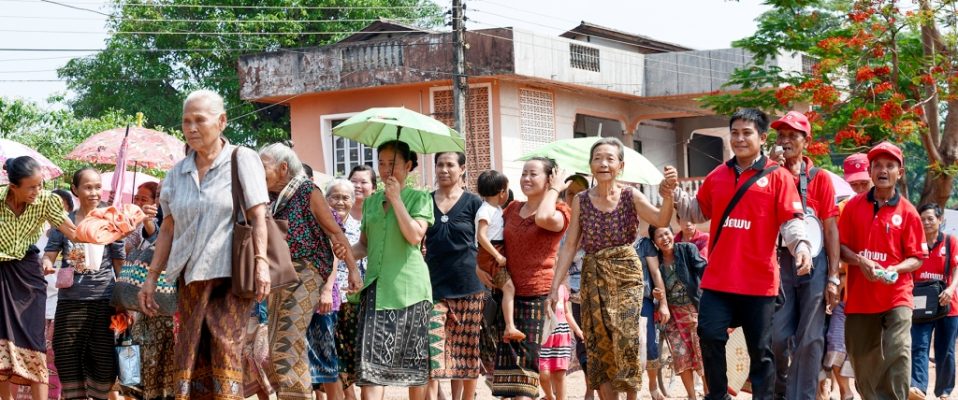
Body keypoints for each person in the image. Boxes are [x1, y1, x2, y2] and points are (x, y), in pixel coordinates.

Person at [138, 89, 271, 399]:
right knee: (193, 350)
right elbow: (168, 229)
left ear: (222, 121)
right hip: (190, 279)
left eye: (200, 120)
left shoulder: (242, 159)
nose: (192, 128)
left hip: (231, 276)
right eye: (186, 121)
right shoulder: (175, 174)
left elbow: (258, 216)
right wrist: (151, 278)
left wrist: (262, 263)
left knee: (225, 346)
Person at [672, 108, 811, 399]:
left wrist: (802, 248)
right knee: (709, 336)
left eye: (747, 133)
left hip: (758, 282)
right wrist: (672, 193)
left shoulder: (778, 177)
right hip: (718, 280)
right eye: (734, 132)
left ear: (761, 138)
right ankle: (718, 395)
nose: (739, 138)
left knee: (760, 351)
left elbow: (792, 222)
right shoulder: (717, 175)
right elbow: (696, 212)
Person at [550, 138, 677, 400]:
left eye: (609, 158)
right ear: (590, 165)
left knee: (626, 341)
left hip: (626, 275)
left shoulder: (631, 195)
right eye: (598, 158)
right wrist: (555, 287)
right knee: (599, 345)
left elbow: (661, 219)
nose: (603, 163)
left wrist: (668, 197)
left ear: (621, 165)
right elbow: (570, 244)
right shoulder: (582, 200)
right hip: (593, 276)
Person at [258, 143, 360, 399]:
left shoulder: (307, 191)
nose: (258, 171)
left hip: (308, 271)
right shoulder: (267, 197)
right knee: (276, 345)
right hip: (278, 273)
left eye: (264, 166)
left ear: (283, 168)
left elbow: (335, 233)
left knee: (287, 341)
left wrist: (353, 271)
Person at [839, 142, 926, 399]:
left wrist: (895, 269)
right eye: (877, 165)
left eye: (890, 165)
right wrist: (860, 261)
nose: (883, 170)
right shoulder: (852, 207)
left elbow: (917, 257)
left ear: (900, 171)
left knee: (898, 350)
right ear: (870, 171)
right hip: (859, 299)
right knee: (861, 358)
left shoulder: (909, 213)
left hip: (896, 296)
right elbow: (840, 247)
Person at [349, 140, 433, 400]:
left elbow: (414, 236)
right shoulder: (372, 202)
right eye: (382, 163)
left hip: (411, 292)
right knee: (369, 367)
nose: (386, 170)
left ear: (408, 166)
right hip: (375, 289)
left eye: (393, 163)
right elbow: (364, 244)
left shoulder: (419, 198)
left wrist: (396, 200)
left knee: (413, 366)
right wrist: (341, 256)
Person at [767, 111, 841, 400]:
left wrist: (833, 276)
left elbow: (831, 228)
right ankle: (780, 389)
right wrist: (770, 167)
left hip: (816, 262)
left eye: (792, 135)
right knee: (776, 335)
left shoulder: (820, 178)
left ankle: (803, 396)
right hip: (780, 260)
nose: (785, 140)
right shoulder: (770, 173)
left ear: (805, 141)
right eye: (781, 135)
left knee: (810, 339)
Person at [42, 168, 126, 400]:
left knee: (103, 358)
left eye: (98, 187)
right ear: (75, 189)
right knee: (66, 354)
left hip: (104, 300)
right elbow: (50, 253)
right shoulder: (65, 222)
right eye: (88, 187)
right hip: (70, 300)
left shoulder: (110, 221)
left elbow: (119, 264)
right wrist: (47, 264)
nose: (94, 192)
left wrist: (124, 299)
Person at [490, 157, 570, 400]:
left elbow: (543, 218)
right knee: (506, 375)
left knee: (525, 370)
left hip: (536, 296)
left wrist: (556, 189)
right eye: (524, 173)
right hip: (505, 296)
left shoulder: (561, 212)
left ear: (549, 179)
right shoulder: (512, 208)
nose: (525, 178)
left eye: (533, 174)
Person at [0, 156, 78, 400]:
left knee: (34, 340)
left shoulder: (46, 200)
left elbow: (73, 231)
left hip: (27, 275)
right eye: (31, 187)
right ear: (13, 187)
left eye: (40, 185)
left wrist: (107, 230)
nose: (37, 191)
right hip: (0, 275)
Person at [421, 152, 485, 400]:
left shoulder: (474, 203)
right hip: (433, 287)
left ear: (462, 169)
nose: (444, 169)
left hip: (468, 284)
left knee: (466, 352)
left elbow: (486, 240)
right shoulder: (424, 201)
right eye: (440, 164)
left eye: (450, 165)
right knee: (431, 350)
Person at [120, 182, 175, 400]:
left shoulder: (179, 220)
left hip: (168, 306)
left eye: (147, 198)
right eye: (137, 198)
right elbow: (122, 246)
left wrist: (150, 225)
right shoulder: (138, 222)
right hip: (138, 305)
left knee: (164, 361)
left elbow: (163, 243)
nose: (140, 202)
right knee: (135, 354)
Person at [648, 224, 708, 400]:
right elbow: (651, 286)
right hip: (672, 316)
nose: (665, 239)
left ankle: (708, 393)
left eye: (667, 234)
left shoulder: (687, 249)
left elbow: (704, 270)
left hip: (694, 311)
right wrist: (656, 294)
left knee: (701, 355)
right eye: (660, 236)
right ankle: (691, 396)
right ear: (654, 241)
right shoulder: (655, 261)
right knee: (681, 357)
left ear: (673, 234)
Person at [909, 203, 958, 400]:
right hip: (920, 303)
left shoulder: (950, 241)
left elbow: (956, 268)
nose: (926, 223)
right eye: (922, 219)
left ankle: (944, 392)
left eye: (930, 218)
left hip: (948, 304)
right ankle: (918, 388)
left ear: (940, 220)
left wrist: (951, 288)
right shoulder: (914, 243)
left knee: (945, 350)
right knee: (919, 345)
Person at [326, 178, 365, 400]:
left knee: (351, 355)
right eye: (335, 197)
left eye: (345, 197)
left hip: (352, 301)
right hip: (327, 300)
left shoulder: (359, 228)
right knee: (334, 354)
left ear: (352, 201)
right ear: (326, 199)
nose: (340, 202)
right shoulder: (320, 226)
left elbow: (363, 266)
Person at [474, 170, 523, 342]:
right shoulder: (485, 211)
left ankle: (506, 324)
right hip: (491, 254)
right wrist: (497, 256)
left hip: (495, 252)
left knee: (504, 289)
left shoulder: (496, 208)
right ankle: (509, 327)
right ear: (502, 191)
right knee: (509, 288)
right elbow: (481, 236)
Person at [538, 282, 580, 400]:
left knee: (560, 373)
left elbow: (566, 312)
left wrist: (577, 330)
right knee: (544, 374)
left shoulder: (562, 289)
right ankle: (550, 396)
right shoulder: (540, 286)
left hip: (561, 334)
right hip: (545, 334)